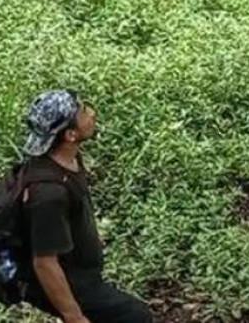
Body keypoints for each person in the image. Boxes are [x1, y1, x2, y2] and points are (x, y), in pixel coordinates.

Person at [20, 90, 153, 323]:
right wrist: (74, 316)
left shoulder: (67, 158)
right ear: (70, 134)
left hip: (78, 265)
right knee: (136, 317)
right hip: (64, 278)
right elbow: (44, 263)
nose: (91, 113)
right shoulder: (48, 194)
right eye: (83, 112)